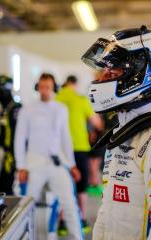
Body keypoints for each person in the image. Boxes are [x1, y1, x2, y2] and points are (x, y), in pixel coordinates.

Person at [81, 25, 151, 239]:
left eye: (114, 71)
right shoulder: (121, 135)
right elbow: (107, 211)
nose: (104, 78)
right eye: (105, 71)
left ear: (145, 74)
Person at [14, 73, 83, 240]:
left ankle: (77, 237)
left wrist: (72, 164)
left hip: (56, 164)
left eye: (48, 87)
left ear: (54, 88)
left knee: (70, 205)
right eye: (42, 87)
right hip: (33, 164)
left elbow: (65, 138)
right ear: (38, 87)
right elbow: (19, 139)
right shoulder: (27, 110)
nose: (45, 91)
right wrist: (21, 167)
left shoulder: (61, 109)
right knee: (27, 207)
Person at [55, 75, 103, 233]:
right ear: (75, 84)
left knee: (64, 185)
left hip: (60, 150)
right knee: (81, 187)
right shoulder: (80, 99)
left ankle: (62, 223)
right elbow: (97, 123)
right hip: (80, 148)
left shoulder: (56, 99)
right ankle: (82, 220)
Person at [0, 75, 21, 195]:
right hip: (8, 155)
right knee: (2, 188)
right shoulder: (5, 109)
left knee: (4, 190)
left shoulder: (15, 108)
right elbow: (3, 134)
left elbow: (18, 135)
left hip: (12, 157)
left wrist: (17, 159)